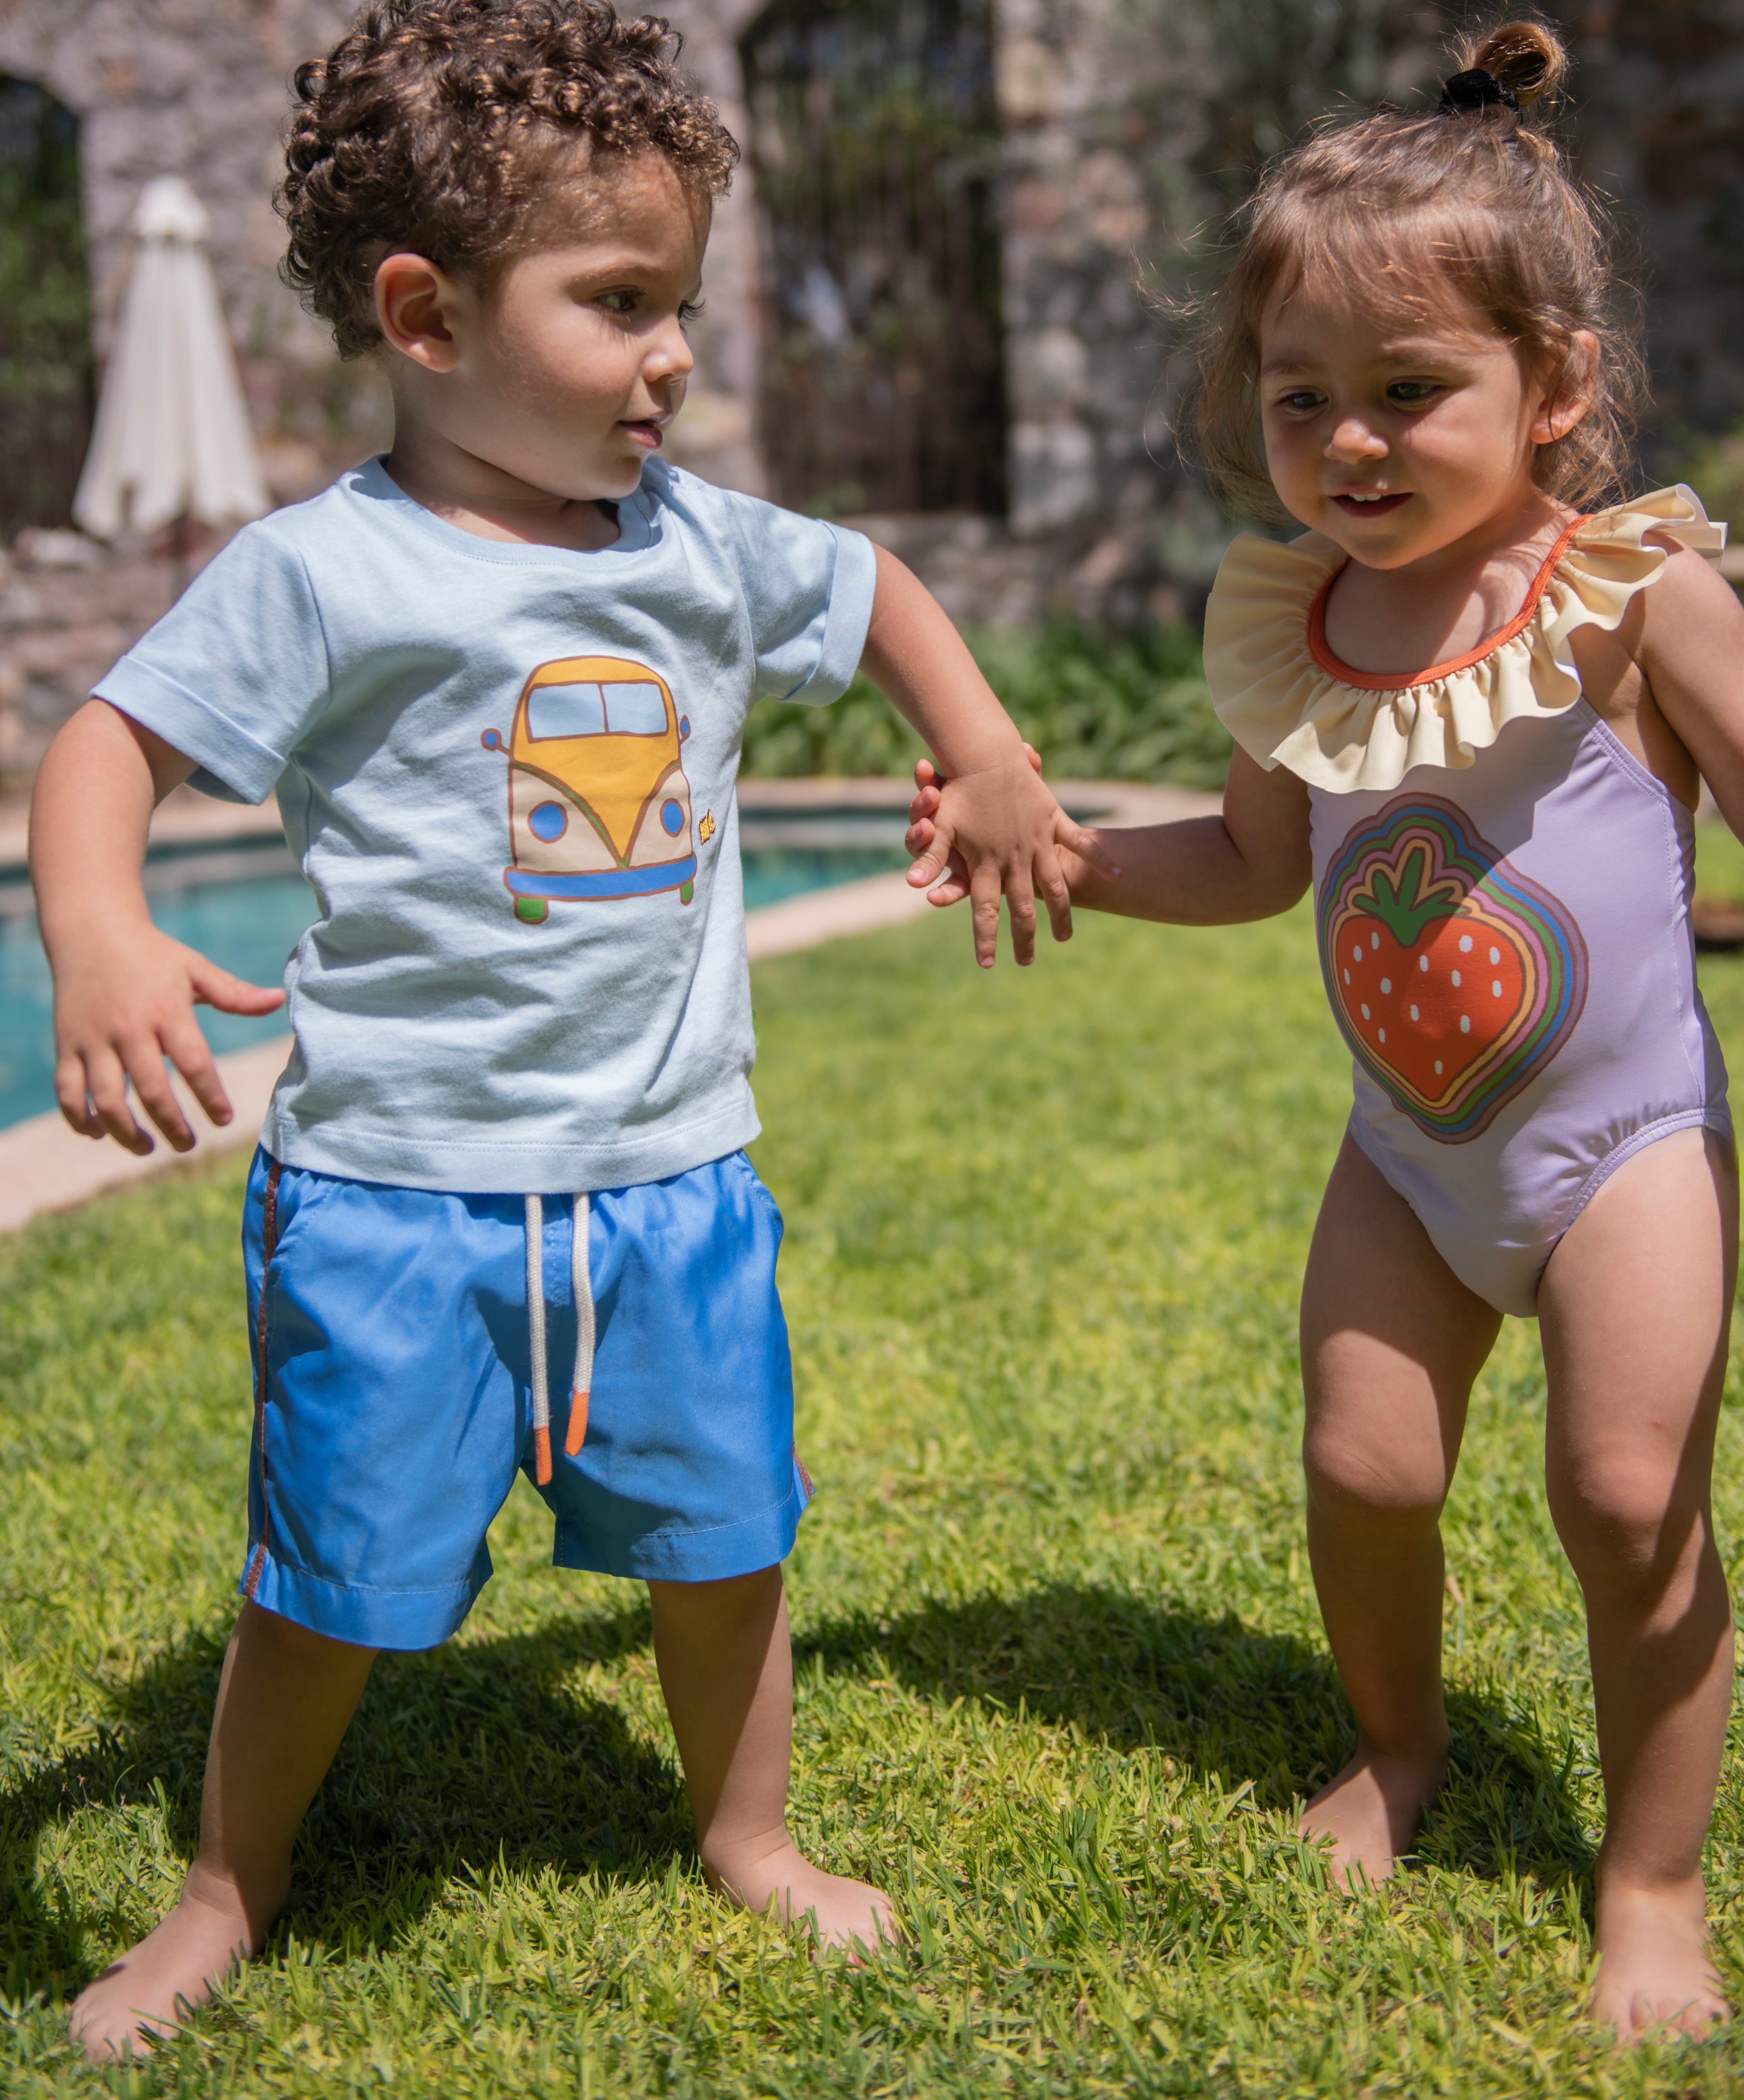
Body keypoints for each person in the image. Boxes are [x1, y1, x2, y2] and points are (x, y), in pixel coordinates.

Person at [33, 0, 1103, 2060]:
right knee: (325, 1582)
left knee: (725, 1543)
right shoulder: (326, 572)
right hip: (392, 1196)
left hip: (670, 1179)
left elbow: (875, 585)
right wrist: (95, 930)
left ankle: (749, 1834)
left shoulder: (702, 549)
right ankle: (223, 1887)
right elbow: (108, 743)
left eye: (680, 300)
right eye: (620, 304)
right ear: (427, 318)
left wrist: (980, 743)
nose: (675, 353)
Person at [908, 19, 1744, 2042]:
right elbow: (1264, 857)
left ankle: (1648, 1878)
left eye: (1407, 392)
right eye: (1304, 402)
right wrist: (1081, 858)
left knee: (1629, 1498)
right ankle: (1400, 1746)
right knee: (1364, 1466)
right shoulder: (1305, 625)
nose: (1350, 442)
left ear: (1549, 394)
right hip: (1411, 1153)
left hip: (1625, 1148)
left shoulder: (1631, 594)